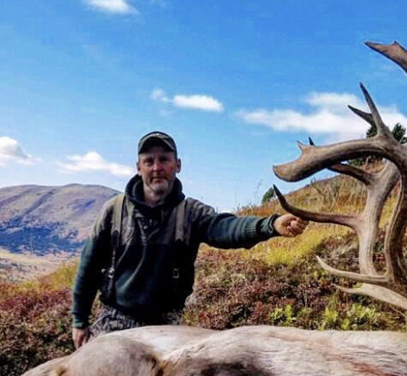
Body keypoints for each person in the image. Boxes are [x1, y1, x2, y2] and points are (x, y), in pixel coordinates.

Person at [71, 131, 307, 348]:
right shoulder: (113, 211)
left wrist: (271, 225)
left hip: (166, 322)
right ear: (138, 167)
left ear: (177, 165)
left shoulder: (191, 212)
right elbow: (88, 267)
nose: (157, 168)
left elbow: (225, 227)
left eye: (164, 159)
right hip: (117, 318)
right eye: (149, 161)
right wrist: (79, 321)